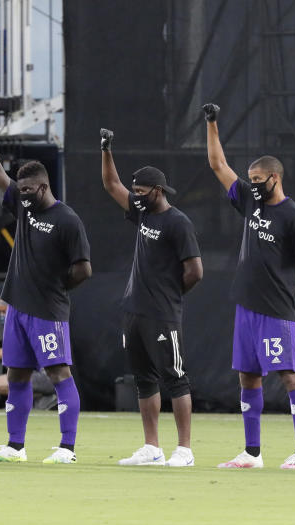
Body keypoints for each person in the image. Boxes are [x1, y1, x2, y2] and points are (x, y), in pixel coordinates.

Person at [0, 116, 92, 464]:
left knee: (58, 373)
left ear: (43, 187)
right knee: (16, 374)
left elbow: (84, 269)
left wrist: (54, 288)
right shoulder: (23, 204)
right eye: (18, 190)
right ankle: (15, 446)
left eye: (27, 190)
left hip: (48, 310)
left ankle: (67, 449)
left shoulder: (67, 219)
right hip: (18, 309)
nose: (21, 195)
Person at [203, 102, 295, 470]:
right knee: (247, 376)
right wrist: (212, 123)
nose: (252, 186)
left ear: (275, 178)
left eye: (258, 181)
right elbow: (218, 166)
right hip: (247, 307)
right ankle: (252, 453)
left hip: (277, 309)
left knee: (288, 375)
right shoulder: (252, 207)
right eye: (249, 181)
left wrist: (294, 304)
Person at [99, 127, 204, 467]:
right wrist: (106, 150)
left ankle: (184, 450)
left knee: (176, 377)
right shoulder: (143, 212)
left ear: (158, 191)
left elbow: (195, 271)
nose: (136, 196)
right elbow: (111, 186)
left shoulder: (178, 222)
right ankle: (152, 448)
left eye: (142, 191)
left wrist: (169, 296)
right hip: (134, 311)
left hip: (163, 313)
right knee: (143, 380)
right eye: (136, 192)